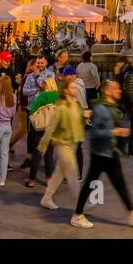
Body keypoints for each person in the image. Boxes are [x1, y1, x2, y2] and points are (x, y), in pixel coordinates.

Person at [71, 79, 133, 229]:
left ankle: (132, 213)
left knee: (118, 184)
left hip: (109, 151)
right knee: (91, 184)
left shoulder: (111, 107)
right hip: (101, 153)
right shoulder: (100, 109)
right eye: (116, 89)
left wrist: (118, 134)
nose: (120, 91)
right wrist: (114, 132)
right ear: (108, 91)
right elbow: (94, 132)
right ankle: (77, 215)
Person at [38, 67, 85, 210]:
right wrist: (44, 144)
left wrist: (85, 116)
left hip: (73, 144)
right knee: (72, 175)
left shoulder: (75, 105)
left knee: (59, 173)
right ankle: (80, 206)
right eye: (72, 87)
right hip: (62, 144)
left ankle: (46, 198)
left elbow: (78, 120)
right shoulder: (61, 107)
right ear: (65, 90)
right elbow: (51, 127)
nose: (75, 89)